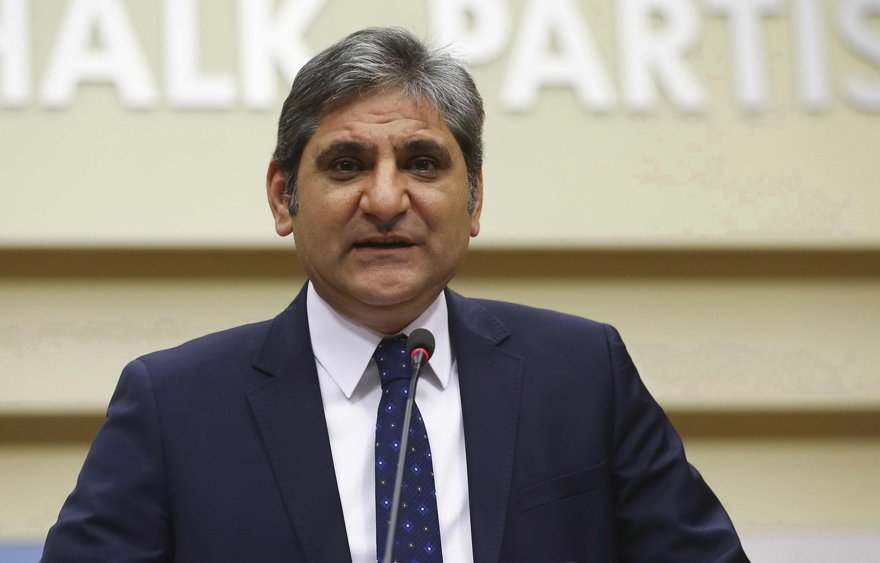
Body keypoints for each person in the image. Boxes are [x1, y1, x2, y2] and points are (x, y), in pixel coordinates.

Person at [42, 27, 749, 563]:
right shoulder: (172, 406)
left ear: (474, 200)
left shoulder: (583, 371)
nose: (385, 200)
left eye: (423, 163)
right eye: (347, 164)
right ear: (284, 197)